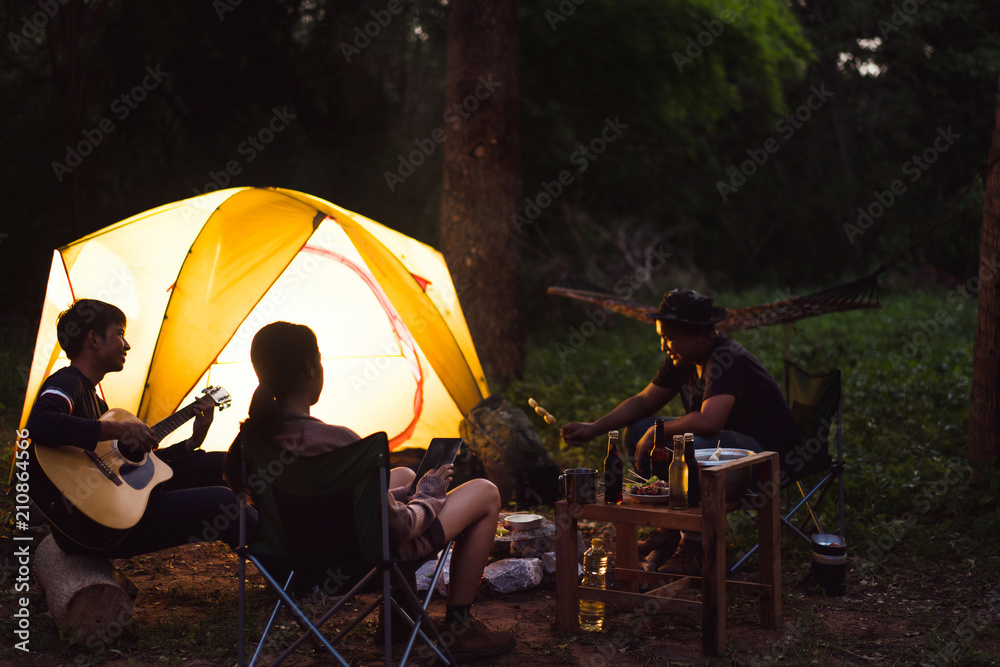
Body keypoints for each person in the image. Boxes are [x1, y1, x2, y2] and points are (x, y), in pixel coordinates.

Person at [227, 321, 515, 662]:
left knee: (404, 472)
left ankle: (397, 618)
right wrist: (430, 492)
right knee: (485, 491)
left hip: (292, 563)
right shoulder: (339, 443)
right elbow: (401, 528)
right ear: (310, 367)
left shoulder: (253, 442)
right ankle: (460, 627)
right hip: (364, 563)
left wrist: (409, 489)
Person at [561, 289, 799, 575]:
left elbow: (710, 422)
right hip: (724, 448)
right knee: (636, 430)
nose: (664, 346)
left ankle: (696, 545)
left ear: (698, 333)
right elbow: (643, 401)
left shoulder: (726, 358)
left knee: (684, 447)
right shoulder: (682, 358)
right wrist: (594, 428)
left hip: (767, 458)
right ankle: (669, 529)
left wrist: (656, 431)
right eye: (661, 337)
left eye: (669, 338)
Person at [25, 298, 256, 557]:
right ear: (94, 339)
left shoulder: (99, 405)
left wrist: (191, 443)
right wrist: (120, 430)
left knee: (222, 464)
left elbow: (140, 471)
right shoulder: (68, 382)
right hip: (93, 527)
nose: (127, 344)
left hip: (113, 511)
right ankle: (291, 572)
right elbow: (41, 423)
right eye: (120, 334)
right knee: (224, 503)